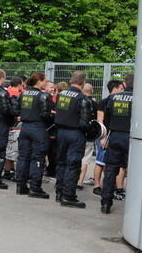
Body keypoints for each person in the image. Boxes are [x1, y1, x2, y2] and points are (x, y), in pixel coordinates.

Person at [53, 71, 93, 209]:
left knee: (61, 163)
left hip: (61, 132)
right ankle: (68, 196)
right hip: (75, 134)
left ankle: (59, 192)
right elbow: (84, 122)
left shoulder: (61, 94)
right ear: (82, 83)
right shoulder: (82, 98)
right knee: (73, 165)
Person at [15, 72, 54, 199]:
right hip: (38, 128)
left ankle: (21, 185)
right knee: (38, 158)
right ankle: (35, 187)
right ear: (39, 82)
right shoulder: (43, 96)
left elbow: (17, 110)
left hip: (24, 127)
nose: (45, 83)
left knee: (23, 157)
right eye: (44, 81)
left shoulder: (24, 94)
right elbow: (45, 115)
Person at [100, 74, 133, 214]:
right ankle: (134, 204)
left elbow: (106, 118)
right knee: (133, 171)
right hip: (132, 138)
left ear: (125, 84)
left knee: (110, 170)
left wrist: (106, 136)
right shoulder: (140, 99)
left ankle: (105, 203)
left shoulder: (112, 98)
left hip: (114, 136)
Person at [3, 76, 25, 180]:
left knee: (9, 149)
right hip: (16, 126)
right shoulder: (19, 95)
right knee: (14, 150)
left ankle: (8, 171)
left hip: (6, 125)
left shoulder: (6, 92)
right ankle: (10, 172)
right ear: (20, 84)